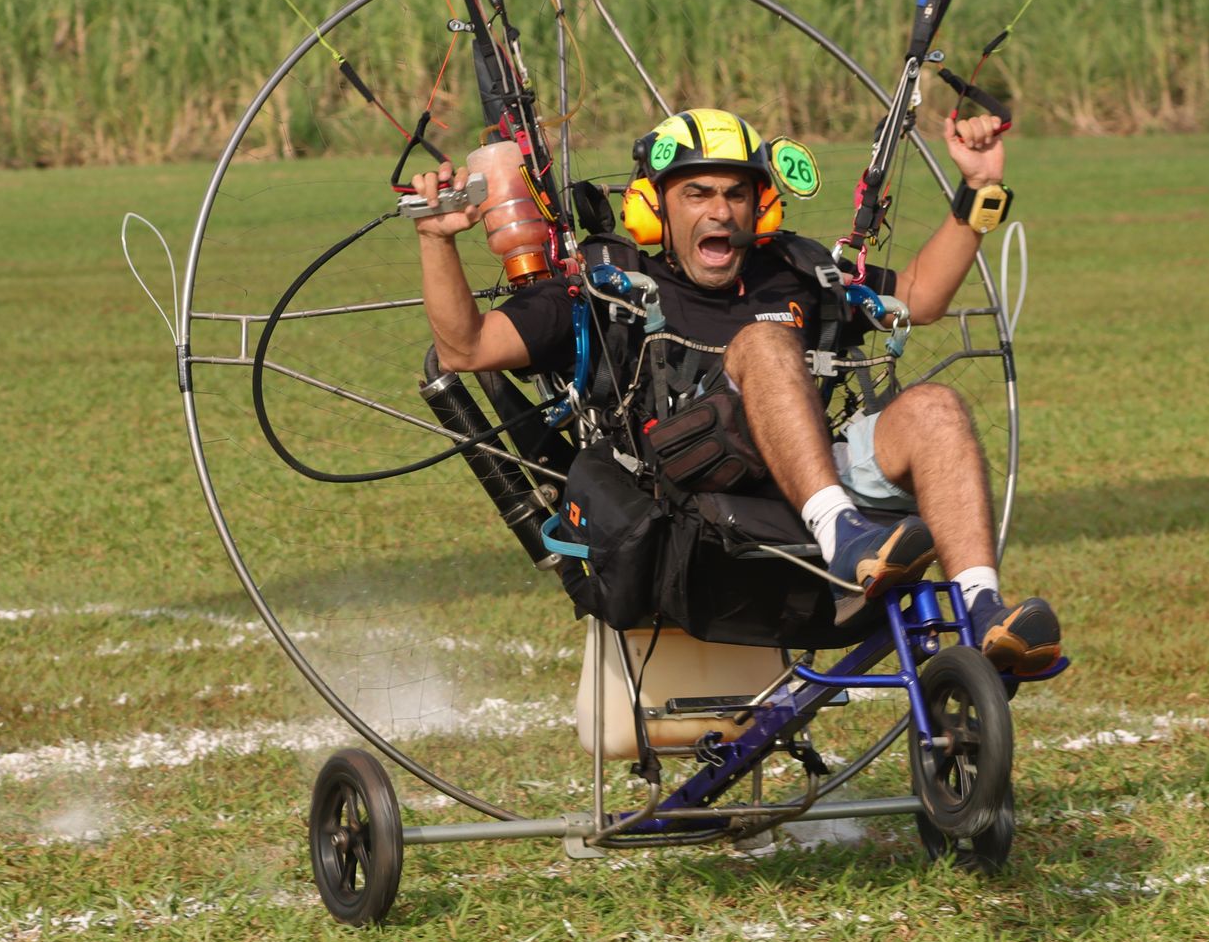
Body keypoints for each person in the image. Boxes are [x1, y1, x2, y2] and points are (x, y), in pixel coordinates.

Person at [408, 107, 1061, 675]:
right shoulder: (608, 286)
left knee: (935, 409)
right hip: (689, 521)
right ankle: (843, 535)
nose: (720, 210)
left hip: (809, 489)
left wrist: (979, 188)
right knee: (765, 343)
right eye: (697, 193)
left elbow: (916, 300)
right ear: (655, 205)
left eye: (736, 194)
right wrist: (436, 240)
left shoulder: (795, 272)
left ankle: (982, 611)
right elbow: (468, 348)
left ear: (762, 206)